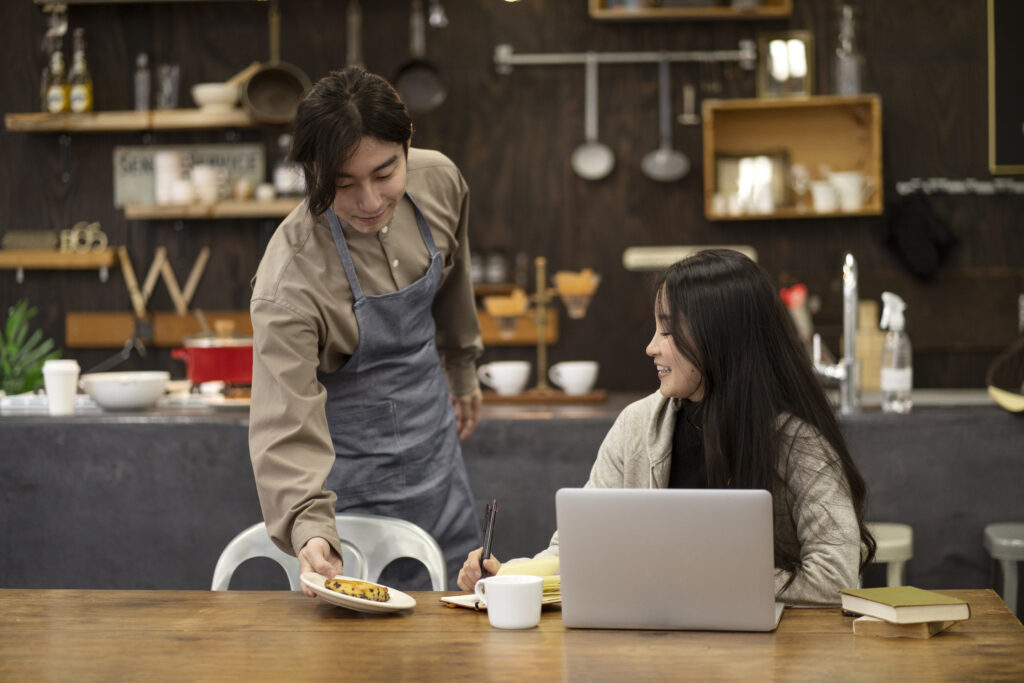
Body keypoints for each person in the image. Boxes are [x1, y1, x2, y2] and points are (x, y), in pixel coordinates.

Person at [458, 249, 876, 606]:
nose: (651, 346)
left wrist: (696, 586)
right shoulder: (637, 425)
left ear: (721, 339)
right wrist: (511, 576)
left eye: (669, 330)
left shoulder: (799, 445)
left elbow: (835, 579)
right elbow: (577, 547)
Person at [249, 66, 484, 595]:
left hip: (437, 452)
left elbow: (455, 274)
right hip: (348, 485)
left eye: (385, 174)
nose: (371, 201)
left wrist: (462, 365)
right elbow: (284, 419)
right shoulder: (289, 277)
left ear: (408, 144)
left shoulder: (439, 181)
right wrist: (310, 528)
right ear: (311, 172)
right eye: (342, 184)